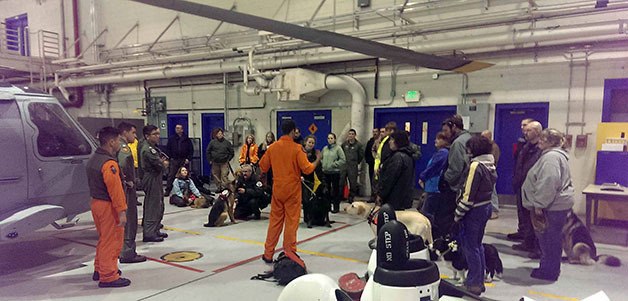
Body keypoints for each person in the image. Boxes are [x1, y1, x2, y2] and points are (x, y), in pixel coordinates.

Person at [259, 120, 320, 265]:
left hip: (278, 189)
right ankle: (289, 252)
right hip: (292, 190)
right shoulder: (297, 148)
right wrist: (318, 159)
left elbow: (263, 166)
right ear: (293, 131)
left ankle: (268, 253)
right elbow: (307, 169)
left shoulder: (272, 147)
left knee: (275, 222)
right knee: (291, 223)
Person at [522, 128, 574, 281]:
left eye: (543, 139)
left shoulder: (551, 158)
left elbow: (549, 182)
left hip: (551, 206)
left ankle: (549, 271)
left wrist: (539, 205)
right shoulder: (555, 156)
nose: (539, 141)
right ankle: (550, 267)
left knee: (548, 239)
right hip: (556, 205)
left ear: (550, 142)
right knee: (552, 238)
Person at [86, 126, 131, 288]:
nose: (119, 143)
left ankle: (100, 269)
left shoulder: (94, 158)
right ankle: (108, 276)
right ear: (111, 142)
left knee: (103, 239)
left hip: (96, 203)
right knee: (112, 241)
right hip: (107, 206)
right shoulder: (109, 163)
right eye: (118, 140)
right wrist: (122, 211)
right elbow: (115, 189)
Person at [453, 135, 497, 296]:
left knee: (470, 247)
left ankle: (473, 284)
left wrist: (458, 214)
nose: (467, 151)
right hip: (485, 208)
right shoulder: (490, 164)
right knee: (478, 246)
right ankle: (479, 281)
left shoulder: (475, 166)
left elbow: (468, 193)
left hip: (473, 211)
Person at [509, 121, 543, 257]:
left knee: (535, 219)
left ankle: (537, 247)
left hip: (533, 188)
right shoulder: (526, 147)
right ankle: (527, 242)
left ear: (537, 132)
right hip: (522, 185)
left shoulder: (541, 149)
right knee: (524, 215)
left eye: (528, 130)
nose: (525, 132)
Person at [116, 122, 146, 264]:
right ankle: (128, 252)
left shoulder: (119, 146)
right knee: (130, 220)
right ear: (125, 132)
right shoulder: (124, 149)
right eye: (133, 133)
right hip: (127, 190)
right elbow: (121, 165)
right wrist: (127, 180)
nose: (135, 136)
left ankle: (123, 250)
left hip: (122, 188)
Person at [438, 115, 471, 239]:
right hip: (463, 187)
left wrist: (445, 179)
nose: (445, 134)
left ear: (455, 128)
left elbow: (455, 169)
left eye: (446, 130)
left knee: (446, 220)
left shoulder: (457, 143)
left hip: (454, 189)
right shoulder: (468, 138)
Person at [140, 125, 169, 243]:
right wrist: (163, 164)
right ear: (147, 136)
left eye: (158, 133)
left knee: (159, 204)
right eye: (155, 134)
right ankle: (149, 233)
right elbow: (160, 164)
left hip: (156, 176)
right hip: (151, 177)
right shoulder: (148, 149)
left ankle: (155, 229)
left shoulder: (153, 147)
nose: (158, 136)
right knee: (152, 205)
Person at [376, 131, 414, 210]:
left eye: (392, 140)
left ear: (398, 141)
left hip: (394, 199)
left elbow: (390, 178)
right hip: (403, 198)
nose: (390, 142)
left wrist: (381, 194)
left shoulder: (398, 157)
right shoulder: (408, 156)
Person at [419, 132, 450, 221]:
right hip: (432, 187)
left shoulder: (442, 153)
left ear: (444, 141)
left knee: (428, 213)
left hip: (434, 187)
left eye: (438, 139)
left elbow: (433, 167)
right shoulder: (441, 153)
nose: (435, 140)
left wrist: (422, 177)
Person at [302, 135, 326, 225]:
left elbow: (318, 167)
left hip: (313, 178)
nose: (311, 144)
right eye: (309, 142)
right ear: (305, 142)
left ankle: (314, 218)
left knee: (313, 199)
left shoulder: (316, 154)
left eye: (313, 143)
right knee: (305, 200)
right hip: (303, 179)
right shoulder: (301, 153)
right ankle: (306, 218)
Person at [165, 124, 194, 196]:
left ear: (182, 130)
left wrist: (188, 158)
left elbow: (191, 150)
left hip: (184, 160)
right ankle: (168, 190)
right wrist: (169, 158)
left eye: (179, 128)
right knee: (171, 175)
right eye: (176, 128)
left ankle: (187, 190)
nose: (177, 129)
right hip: (174, 160)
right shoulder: (172, 139)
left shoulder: (186, 139)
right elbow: (168, 149)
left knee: (185, 175)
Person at [321, 133, 346, 213]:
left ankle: (336, 207)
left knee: (335, 190)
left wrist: (334, 164)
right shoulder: (325, 148)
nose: (330, 140)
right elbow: (321, 157)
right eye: (328, 138)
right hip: (326, 172)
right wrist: (323, 164)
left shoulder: (338, 149)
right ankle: (327, 206)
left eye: (331, 138)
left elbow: (343, 160)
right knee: (326, 190)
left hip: (335, 172)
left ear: (334, 139)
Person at [481, 130, 501, 219]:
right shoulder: (485, 146)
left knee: (492, 191)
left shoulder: (493, 147)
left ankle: (495, 210)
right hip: (484, 171)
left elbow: (493, 159)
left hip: (490, 171)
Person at [340, 129, 364, 203]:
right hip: (344, 166)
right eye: (349, 134)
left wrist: (356, 162)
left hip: (353, 166)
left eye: (352, 134)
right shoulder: (344, 144)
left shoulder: (358, 145)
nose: (351, 135)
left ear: (355, 135)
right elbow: (341, 153)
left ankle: (351, 197)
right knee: (341, 182)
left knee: (353, 183)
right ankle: (341, 196)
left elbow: (361, 156)